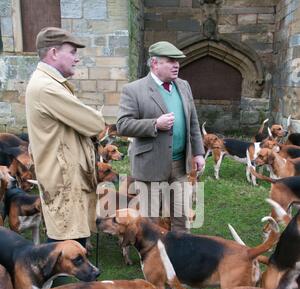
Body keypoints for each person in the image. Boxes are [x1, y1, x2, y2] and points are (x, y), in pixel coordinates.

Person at [26, 27, 106, 247]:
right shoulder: (47, 87)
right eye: (72, 52)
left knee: (70, 245)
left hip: (67, 179)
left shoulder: (50, 83)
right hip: (63, 182)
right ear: (53, 53)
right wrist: (95, 116)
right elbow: (95, 124)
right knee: (65, 249)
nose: (76, 59)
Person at [117, 41, 205, 231]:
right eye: (171, 61)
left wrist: (198, 153)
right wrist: (154, 124)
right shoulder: (134, 89)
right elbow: (122, 125)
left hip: (179, 165)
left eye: (178, 61)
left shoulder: (183, 86)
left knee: (182, 218)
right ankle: (152, 258)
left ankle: (181, 257)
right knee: (152, 222)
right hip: (151, 165)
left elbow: (193, 122)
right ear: (154, 63)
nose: (177, 65)